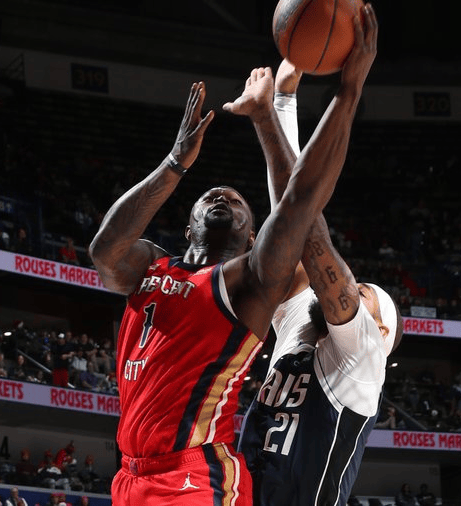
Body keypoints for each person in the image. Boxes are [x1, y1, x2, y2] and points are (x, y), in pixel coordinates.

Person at [90, 23, 358, 500]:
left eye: (237, 202)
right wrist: (175, 163)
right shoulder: (150, 265)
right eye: (212, 195)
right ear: (187, 226)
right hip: (130, 476)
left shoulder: (247, 282)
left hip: (196, 475)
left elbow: (300, 200)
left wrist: (344, 90)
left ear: (253, 237)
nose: (223, 197)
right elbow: (104, 251)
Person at [238, 8, 402, 506]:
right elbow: (290, 223)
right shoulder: (300, 325)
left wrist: (280, 114)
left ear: (381, 333)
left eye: (362, 292)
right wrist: (283, 100)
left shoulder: (362, 360)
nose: (351, 286)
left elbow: (308, 229)